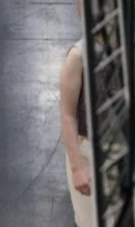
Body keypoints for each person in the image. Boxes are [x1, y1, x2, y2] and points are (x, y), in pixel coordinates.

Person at [59, 44, 96, 227]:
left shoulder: (131, 49)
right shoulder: (78, 56)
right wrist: (77, 168)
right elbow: (67, 116)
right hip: (87, 151)